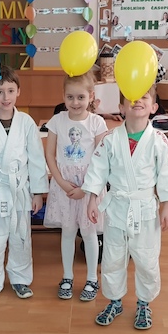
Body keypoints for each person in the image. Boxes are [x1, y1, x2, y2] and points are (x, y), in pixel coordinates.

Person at [82, 85, 168, 330]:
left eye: (144, 97)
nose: (137, 101)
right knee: (112, 257)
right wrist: (92, 198)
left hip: (145, 208)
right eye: (131, 97)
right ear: (121, 107)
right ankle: (115, 301)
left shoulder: (158, 140)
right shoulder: (110, 139)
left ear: (154, 107)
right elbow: (97, 170)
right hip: (116, 206)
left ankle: (144, 304)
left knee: (146, 258)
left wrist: (166, 206)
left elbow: (167, 174)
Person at [0, 66, 49, 303]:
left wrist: (38, 192)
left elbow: (36, 158)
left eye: (10, 91)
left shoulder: (26, 122)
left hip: (19, 189)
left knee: (20, 237)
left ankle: (20, 279)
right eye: (0, 92)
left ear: (18, 92)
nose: (6, 97)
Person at [44, 72, 108, 301]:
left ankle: (92, 278)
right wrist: (61, 183)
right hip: (64, 187)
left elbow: (102, 159)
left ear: (91, 96)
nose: (75, 102)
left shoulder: (97, 122)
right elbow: (49, 155)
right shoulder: (57, 121)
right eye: (70, 97)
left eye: (81, 97)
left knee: (89, 233)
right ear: (63, 96)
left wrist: (86, 189)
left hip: (89, 188)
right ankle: (67, 276)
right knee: (68, 232)